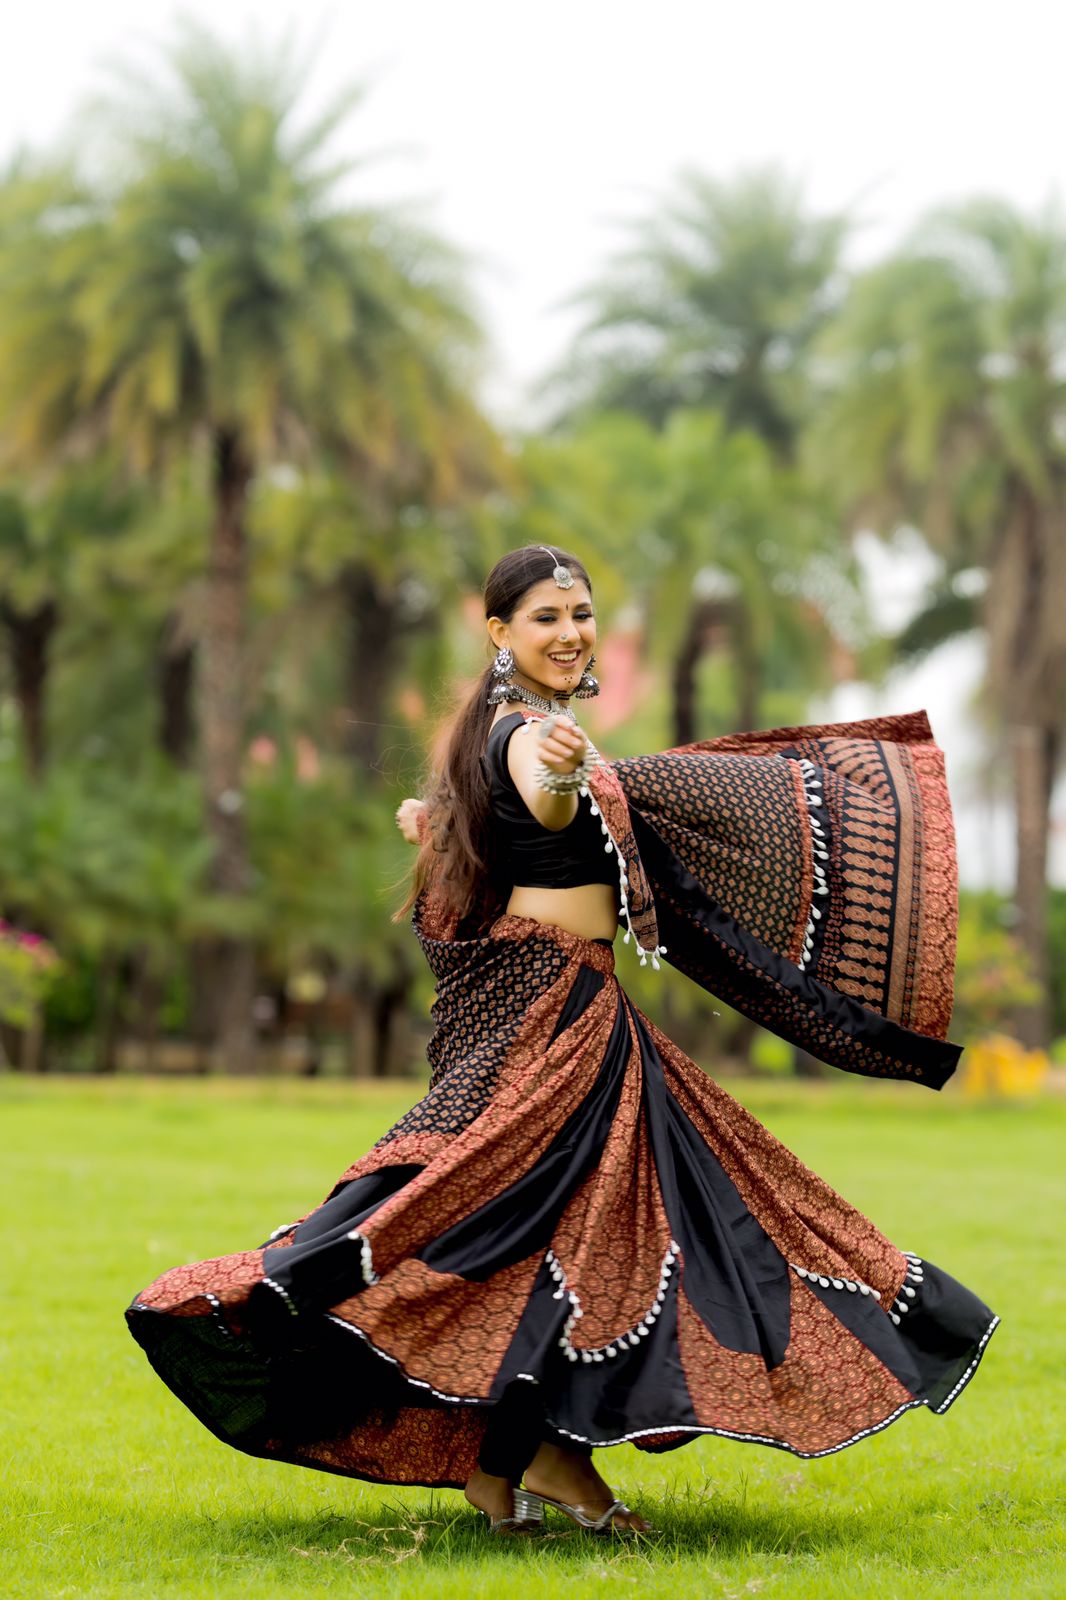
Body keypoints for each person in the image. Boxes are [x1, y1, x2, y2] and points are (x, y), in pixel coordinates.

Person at [126, 543, 999, 1538]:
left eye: (580, 613)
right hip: (557, 1015)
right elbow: (541, 794)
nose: (571, 632)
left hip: (567, 1002)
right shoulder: (532, 733)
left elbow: (508, 822)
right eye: (546, 616)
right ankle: (542, 1457)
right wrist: (557, 775)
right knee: (569, 1218)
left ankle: (505, 1463)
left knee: (571, 1227)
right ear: (500, 631)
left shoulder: (496, 729)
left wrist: (447, 816)